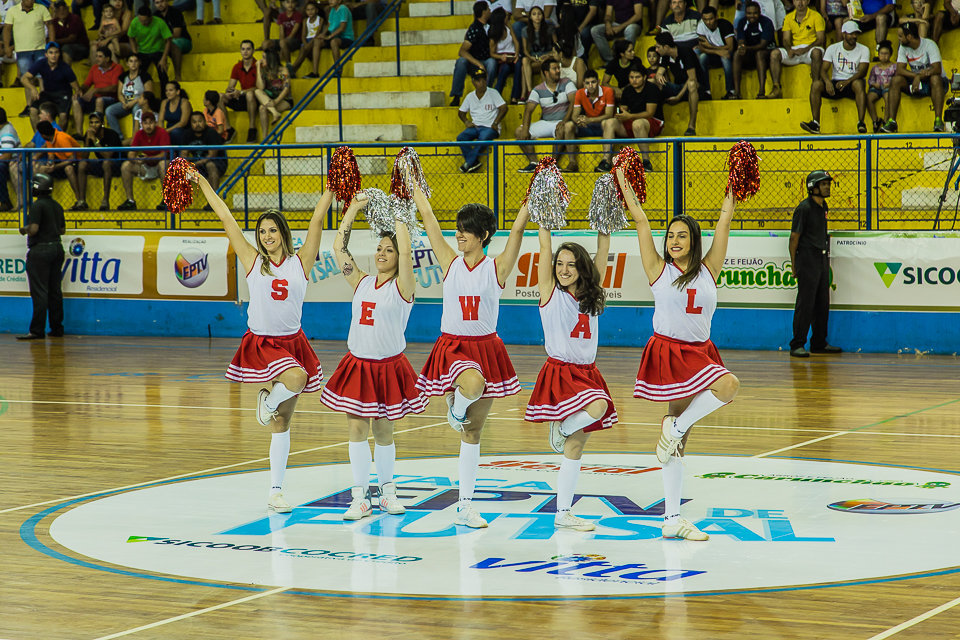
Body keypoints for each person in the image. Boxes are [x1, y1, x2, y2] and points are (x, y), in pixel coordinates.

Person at [191, 172, 329, 515]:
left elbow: (316, 221)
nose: (267, 236)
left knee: (282, 423)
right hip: (264, 343)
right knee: (296, 380)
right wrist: (203, 182)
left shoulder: (301, 263)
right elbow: (225, 216)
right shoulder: (253, 261)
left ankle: (275, 491)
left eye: (272, 230)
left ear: (283, 233)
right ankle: (266, 401)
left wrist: (332, 187)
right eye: (262, 231)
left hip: (293, 342)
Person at [619, 166, 740, 542]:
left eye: (681, 235)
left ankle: (676, 428)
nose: (674, 240)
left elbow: (724, 221)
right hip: (668, 351)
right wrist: (624, 183)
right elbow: (640, 221)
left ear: (694, 240)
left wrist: (734, 183)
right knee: (679, 440)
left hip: (701, 352)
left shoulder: (709, 269)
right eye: (670, 234)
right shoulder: (658, 269)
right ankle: (672, 517)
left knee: (725, 389)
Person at [410, 173, 529, 530]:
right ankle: (455, 406)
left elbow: (518, 234)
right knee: (472, 386)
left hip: (487, 347)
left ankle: (465, 505)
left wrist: (528, 201)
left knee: (473, 434)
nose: (458, 234)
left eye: (466, 230)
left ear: (484, 235)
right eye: (458, 228)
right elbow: (429, 220)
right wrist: (415, 185)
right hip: (454, 347)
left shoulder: (497, 267)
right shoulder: (450, 261)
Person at [322, 192, 426, 521]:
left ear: (398, 257)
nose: (382, 254)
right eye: (379, 248)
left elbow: (408, 250)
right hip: (358, 365)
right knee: (356, 430)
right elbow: (338, 249)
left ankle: (387, 492)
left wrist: (400, 212)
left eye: (389, 250)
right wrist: (352, 208)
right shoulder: (362, 281)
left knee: (383, 432)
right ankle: (360, 497)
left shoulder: (403, 288)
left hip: (388, 367)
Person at [526, 223, 614, 532]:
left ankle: (563, 512)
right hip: (562, 372)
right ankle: (561, 426)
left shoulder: (592, 295)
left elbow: (603, 250)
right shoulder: (550, 293)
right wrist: (545, 224)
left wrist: (605, 223)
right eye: (560, 264)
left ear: (582, 268)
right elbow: (544, 249)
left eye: (571, 265)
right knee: (599, 407)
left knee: (576, 449)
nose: (564, 269)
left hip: (588, 372)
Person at [789, 170, 842, 357]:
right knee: (806, 303)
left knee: (822, 302)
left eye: (828, 184)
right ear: (813, 187)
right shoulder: (804, 208)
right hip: (807, 258)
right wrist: (795, 266)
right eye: (823, 184)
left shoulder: (824, 206)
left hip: (821, 258)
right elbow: (794, 239)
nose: (827, 187)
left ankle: (819, 342)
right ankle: (797, 344)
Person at [17, 173, 65, 341]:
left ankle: (37, 330)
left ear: (37, 187)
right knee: (54, 290)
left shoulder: (37, 206)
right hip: (57, 248)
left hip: (40, 251)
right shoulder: (57, 206)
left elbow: (34, 229)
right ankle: (57, 327)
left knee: (39, 292)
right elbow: (62, 230)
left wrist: (24, 229)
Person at [800, 21, 869, 134]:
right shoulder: (833, 48)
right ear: (843, 34)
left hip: (852, 83)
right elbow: (823, 69)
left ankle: (861, 122)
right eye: (851, 33)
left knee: (859, 83)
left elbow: (863, 72)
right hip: (836, 83)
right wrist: (827, 82)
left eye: (856, 33)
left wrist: (847, 81)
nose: (854, 36)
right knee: (816, 85)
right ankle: (815, 124)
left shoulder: (864, 49)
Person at [879, 22, 945, 133]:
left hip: (933, 82)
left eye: (901, 36)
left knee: (935, 78)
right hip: (917, 81)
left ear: (909, 37)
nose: (899, 38)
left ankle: (938, 121)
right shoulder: (903, 48)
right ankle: (892, 122)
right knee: (895, 80)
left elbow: (937, 69)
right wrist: (917, 76)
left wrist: (919, 77)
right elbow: (899, 70)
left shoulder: (929, 45)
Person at [598, 62, 660, 172]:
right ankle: (606, 162)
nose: (634, 80)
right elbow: (624, 110)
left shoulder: (652, 88)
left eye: (637, 77)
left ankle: (646, 162)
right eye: (631, 77)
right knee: (608, 123)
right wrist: (620, 114)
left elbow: (650, 113)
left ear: (644, 77)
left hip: (653, 122)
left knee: (638, 124)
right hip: (633, 122)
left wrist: (629, 116)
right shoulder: (627, 90)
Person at [515, 58, 575, 173]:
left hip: (561, 121)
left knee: (563, 128)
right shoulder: (537, 90)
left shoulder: (567, 82)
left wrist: (564, 120)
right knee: (519, 131)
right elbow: (528, 111)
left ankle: (552, 163)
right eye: (554, 69)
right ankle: (534, 163)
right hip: (546, 122)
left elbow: (574, 102)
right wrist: (525, 130)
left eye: (558, 68)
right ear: (546, 73)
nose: (558, 71)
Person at [4, 0, 54, 117]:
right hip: (22, 51)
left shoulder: (41, 8)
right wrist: (7, 47)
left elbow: (50, 25)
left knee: (43, 77)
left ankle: (44, 103)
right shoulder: (12, 10)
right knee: (26, 79)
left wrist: (51, 44)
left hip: (40, 49)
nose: (31, 1)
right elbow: (7, 29)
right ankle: (29, 105)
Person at [769, 0, 825, 98]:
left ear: (808, 1)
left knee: (817, 52)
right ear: (793, 2)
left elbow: (820, 39)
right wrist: (789, 49)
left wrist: (805, 49)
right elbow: (785, 39)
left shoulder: (816, 16)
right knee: (774, 53)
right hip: (795, 50)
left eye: (803, 0)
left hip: (810, 49)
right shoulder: (788, 17)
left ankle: (816, 87)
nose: (800, 3)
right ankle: (776, 88)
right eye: (797, 0)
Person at [562, 68, 613, 173]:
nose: (591, 85)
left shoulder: (608, 91)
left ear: (598, 82)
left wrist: (590, 120)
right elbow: (574, 116)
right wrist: (579, 121)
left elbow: (609, 115)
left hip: (603, 127)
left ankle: (606, 162)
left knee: (606, 122)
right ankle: (572, 163)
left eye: (593, 82)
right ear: (583, 84)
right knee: (568, 126)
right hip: (588, 126)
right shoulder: (580, 93)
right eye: (587, 83)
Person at [457, 68, 507, 173]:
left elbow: (504, 108)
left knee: (483, 137)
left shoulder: (493, 93)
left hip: (490, 127)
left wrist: (495, 123)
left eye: (483, 80)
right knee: (461, 137)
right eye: (478, 81)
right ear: (473, 82)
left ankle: (468, 163)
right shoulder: (470, 96)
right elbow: (461, 112)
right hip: (475, 127)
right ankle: (473, 162)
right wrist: (467, 122)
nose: (482, 83)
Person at [118, 110, 169, 210]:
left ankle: (166, 200)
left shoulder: (162, 132)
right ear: (142, 124)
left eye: (150, 123)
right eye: (145, 123)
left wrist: (148, 158)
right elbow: (131, 153)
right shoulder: (139, 134)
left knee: (164, 164)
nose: (148, 126)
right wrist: (137, 160)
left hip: (159, 166)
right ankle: (130, 201)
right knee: (125, 166)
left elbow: (166, 154)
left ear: (155, 123)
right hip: (145, 166)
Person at [654, 32, 701, 136]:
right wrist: (658, 76)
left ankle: (691, 126)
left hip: (696, 87)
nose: (656, 50)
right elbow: (658, 73)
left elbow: (692, 78)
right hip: (678, 87)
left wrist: (678, 97)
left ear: (666, 47)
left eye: (658, 47)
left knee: (692, 84)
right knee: (653, 82)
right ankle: (657, 122)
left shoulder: (686, 52)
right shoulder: (665, 56)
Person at [23, 43, 80, 130]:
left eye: (56, 52)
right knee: (33, 110)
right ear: (46, 54)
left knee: (63, 115)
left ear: (59, 54)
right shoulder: (41, 63)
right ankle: (39, 138)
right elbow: (24, 78)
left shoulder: (65, 67)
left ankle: (58, 138)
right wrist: (33, 88)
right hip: (47, 94)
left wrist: (76, 93)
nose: (53, 55)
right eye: (51, 53)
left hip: (63, 94)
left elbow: (76, 87)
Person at [451, 2, 495, 107]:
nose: (490, 11)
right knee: (461, 61)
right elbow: (462, 51)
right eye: (488, 9)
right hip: (475, 63)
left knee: (492, 63)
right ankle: (456, 96)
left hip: (488, 60)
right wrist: (479, 64)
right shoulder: (474, 28)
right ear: (484, 12)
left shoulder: (492, 25)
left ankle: (487, 94)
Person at [77, 110, 122, 212]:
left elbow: (108, 156)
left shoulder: (112, 135)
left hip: (117, 164)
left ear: (102, 123)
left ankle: (105, 201)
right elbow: (84, 157)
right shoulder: (89, 134)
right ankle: (81, 201)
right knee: (82, 164)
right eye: (91, 123)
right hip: (101, 164)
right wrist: (88, 141)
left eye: (96, 122)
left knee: (106, 163)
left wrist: (95, 140)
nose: (93, 125)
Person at [72, 47, 122, 134]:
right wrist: (79, 91)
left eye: (100, 56)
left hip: (112, 100)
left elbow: (114, 88)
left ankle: (98, 133)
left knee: (99, 100)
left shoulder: (118, 68)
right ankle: (79, 134)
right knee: (76, 101)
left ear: (107, 58)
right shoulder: (94, 68)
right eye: (96, 56)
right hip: (96, 99)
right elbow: (86, 85)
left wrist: (96, 90)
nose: (97, 59)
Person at [732, 1, 775, 99]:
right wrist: (741, 48)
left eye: (755, 13)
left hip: (767, 53)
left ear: (760, 13)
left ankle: (761, 91)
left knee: (759, 54)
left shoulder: (767, 22)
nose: (752, 16)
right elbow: (741, 41)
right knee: (737, 54)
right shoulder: (742, 22)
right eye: (749, 13)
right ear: (745, 13)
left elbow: (763, 45)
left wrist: (745, 48)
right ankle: (737, 92)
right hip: (751, 53)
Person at [36, 119, 83, 208]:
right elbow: (51, 157)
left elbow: (72, 158)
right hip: (62, 163)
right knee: (42, 169)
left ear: (43, 135)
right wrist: (49, 165)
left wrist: (56, 166)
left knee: (68, 169)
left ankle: (79, 199)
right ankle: (44, 200)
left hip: (76, 162)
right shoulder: (49, 140)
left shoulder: (62, 138)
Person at [180, 110, 226, 197]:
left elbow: (211, 156)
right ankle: (175, 201)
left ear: (205, 122)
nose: (197, 124)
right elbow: (184, 154)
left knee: (210, 165)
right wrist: (187, 163)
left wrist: (194, 164)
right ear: (191, 124)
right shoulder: (187, 134)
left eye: (200, 121)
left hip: (218, 162)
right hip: (198, 163)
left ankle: (214, 199)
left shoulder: (212, 133)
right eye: (194, 122)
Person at [106, 53, 153, 134]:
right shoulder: (123, 76)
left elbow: (148, 94)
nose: (133, 63)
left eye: (135, 61)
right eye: (131, 61)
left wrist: (133, 102)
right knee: (109, 111)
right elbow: (120, 93)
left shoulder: (145, 76)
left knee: (136, 109)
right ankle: (119, 138)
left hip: (139, 103)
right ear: (127, 63)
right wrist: (124, 103)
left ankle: (135, 136)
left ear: (139, 63)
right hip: (126, 103)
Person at [222, 40, 259, 144]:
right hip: (241, 96)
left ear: (253, 51)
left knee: (250, 94)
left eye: (248, 49)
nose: (245, 51)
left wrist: (242, 92)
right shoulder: (237, 67)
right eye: (243, 49)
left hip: (254, 98)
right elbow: (230, 86)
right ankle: (229, 129)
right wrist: (230, 91)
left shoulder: (258, 66)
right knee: (220, 97)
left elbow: (260, 87)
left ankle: (252, 128)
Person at [128, 6, 172, 90]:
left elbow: (168, 41)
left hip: (158, 51)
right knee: (138, 74)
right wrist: (135, 53)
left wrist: (163, 58)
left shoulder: (160, 22)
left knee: (163, 74)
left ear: (151, 17)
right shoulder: (135, 22)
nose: (143, 23)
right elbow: (131, 38)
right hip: (142, 52)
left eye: (145, 21)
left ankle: (165, 98)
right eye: (141, 20)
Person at [698, 6, 736, 99]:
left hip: (729, 54)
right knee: (702, 57)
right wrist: (717, 51)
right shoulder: (701, 26)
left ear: (716, 17)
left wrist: (710, 47)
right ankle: (706, 91)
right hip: (715, 54)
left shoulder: (725, 25)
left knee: (725, 57)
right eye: (705, 20)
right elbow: (702, 49)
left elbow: (730, 47)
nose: (708, 22)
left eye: (710, 19)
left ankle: (731, 91)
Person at [488, 8, 523, 105]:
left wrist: (516, 54)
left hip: (512, 56)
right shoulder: (494, 34)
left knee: (518, 64)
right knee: (505, 68)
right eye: (505, 15)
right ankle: (496, 95)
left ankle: (515, 97)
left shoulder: (508, 28)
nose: (508, 16)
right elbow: (492, 53)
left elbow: (516, 42)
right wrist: (501, 57)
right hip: (502, 59)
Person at [520, 6, 557, 96]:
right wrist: (531, 58)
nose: (537, 16)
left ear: (543, 16)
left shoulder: (549, 28)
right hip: (535, 59)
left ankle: (524, 94)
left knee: (524, 68)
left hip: (547, 57)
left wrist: (548, 55)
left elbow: (556, 46)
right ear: (530, 17)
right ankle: (529, 91)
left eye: (539, 14)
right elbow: (525, 50)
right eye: (534, 14)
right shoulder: (526, 30)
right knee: (525, 61)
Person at [255, 52, 293, 135]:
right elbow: (260, 87)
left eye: (264, 57)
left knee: (262, 107)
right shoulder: (263, 70)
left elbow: (286, 88)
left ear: (270, 59)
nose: (261, 60)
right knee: (257, 93)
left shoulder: (283, 70)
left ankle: (274, 113)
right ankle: (265, 137)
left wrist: (275, 101)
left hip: (284, 100)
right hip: (269, 99)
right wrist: (258, 68)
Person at [154, 0, 191, 83]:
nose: (160, 4)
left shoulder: (175, 12)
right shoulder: (155, 16)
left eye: (162, 1)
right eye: (157, 2)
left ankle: (178, 76)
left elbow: (177, 34)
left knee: (172, 44)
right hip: (164, 42)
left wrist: (163, 40)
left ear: (167, 1)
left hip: (183, 40)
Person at [314, 0, 354, 67]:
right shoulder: (332, 10)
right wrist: (323, 34)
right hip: (335, 37)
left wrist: (329, 37)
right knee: (317, 41)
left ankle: (337, 69)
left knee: (333, 42)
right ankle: (315, 73)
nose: (330, 1)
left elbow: (342, 28)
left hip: (347, 38)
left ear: (339, 1)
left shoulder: (343, 8)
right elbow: (329, 24)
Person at [866, 40, 895, 131]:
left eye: (886, 53)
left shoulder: (894, 67)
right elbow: (870, 80)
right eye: (881, 53)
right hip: (877, 88)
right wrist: (874, 84)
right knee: (868, 98)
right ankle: (875, 120)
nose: (883, 56)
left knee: (888, 97)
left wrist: (890, 84)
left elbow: (897, 79)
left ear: (890, 54)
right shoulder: (875, 68)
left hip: (888, 87)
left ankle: (886, 120)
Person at [290, 0, 323, 79]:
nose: (310, 11)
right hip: (306, 40)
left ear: (317, 10)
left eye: (312, 9)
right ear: (305, 11)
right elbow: (303, 35)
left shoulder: (320, 19)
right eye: (308, 10)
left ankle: (291, 69)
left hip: (315, 39)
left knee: (303, 53)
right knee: (302, 53)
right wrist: (305, 44)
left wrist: (309, 44)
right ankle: (292, 70)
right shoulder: (305, 20)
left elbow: (318, 34)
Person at [264, 0, 302, 65]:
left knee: (283, 42)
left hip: (295, 41)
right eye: (287, 2)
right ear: (283, 4)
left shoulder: (298, 15)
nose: (290, 4)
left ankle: (288, 67)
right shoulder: (281, 16)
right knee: (265, 44)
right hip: (284, 42)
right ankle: (271, 67)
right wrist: (282, 44)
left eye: (292, 2)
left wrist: (282, 46)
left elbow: (293, 33)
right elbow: (281, 33)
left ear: (295, 3)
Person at [0, 107, 21, 212]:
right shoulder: (2, 128)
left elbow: (7, 156)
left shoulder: (6, 132)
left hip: (12, 163)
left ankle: (5, 202)